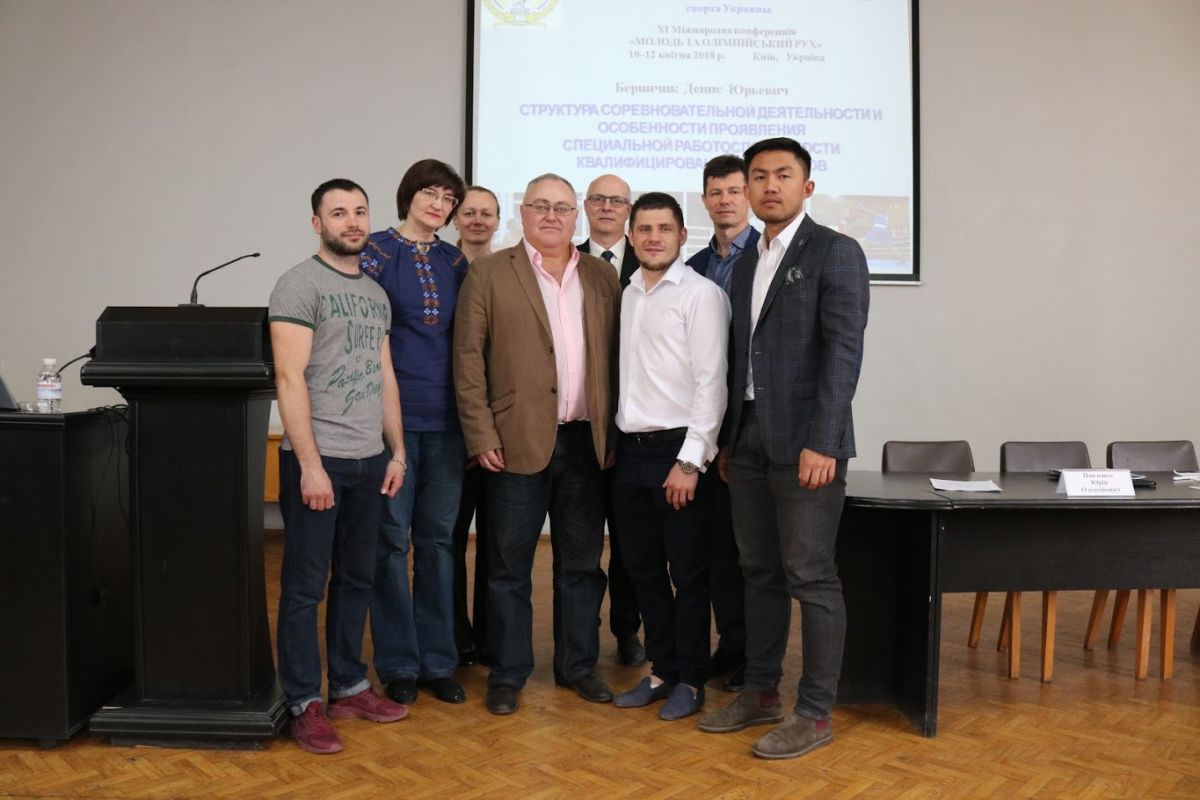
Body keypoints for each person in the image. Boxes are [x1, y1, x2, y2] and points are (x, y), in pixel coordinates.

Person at [697, 138, 870, 760]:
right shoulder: (748, 260)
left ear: (807, 186)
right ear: (746, 188)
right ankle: (761, 692)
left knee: (811, 577)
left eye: (783, 175)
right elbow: (739, 357)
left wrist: (823, 440)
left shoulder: (835, 251)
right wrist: (728, 439)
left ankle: (815, 714)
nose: (770, 186)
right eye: (760, 176)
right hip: (747, 441)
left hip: (807, 446)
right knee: (759, 574)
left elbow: (842, 353)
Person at [454, 173, 621, 716]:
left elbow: (616, 360)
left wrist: (613, 434)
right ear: (522, 213)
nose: (552, 215)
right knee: (507, 568)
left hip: (586, 444)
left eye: (562, 207)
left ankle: (578, 667)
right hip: (512, 442)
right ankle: (508, 673)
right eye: (540, 206)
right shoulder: (488, 273)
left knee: (582, 566)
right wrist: (481, 434)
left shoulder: (601, 275)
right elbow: (467, 360)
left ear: (577, 216)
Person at [269, 178, 408, 754]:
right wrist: (310, 465)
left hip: (369, 460)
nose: (352, 222)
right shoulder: (298, 285)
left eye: (360, 211)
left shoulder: (375, 293)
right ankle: (303, 700)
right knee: (305, 588)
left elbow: (384, 376)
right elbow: (288, 378)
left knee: (357, 579)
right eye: (339, 213)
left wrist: (397, 451)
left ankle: (348, 685)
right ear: (317, 223)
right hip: (319, 459)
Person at [610, 192, 730, 721]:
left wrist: (689, 462)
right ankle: (662, 671)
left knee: (688, 573)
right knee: (642, 572)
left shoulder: (701, 295)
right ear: (631, 237)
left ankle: (692, 680)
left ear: (683, 236)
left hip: (678, 453)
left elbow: (712, 382)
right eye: (645, 229)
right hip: (630, 453)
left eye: (664, 228)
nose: (654, 237)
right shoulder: (629, 293)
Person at [360, 160, 468, 706]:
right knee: (388, 543)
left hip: (447, 423)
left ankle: (438, 661)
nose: (439, 204)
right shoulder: (375, 253)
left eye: (449, 199)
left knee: (439, 543)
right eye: (430, 192)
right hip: (389, 425)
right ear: (408, 194)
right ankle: (399, 663)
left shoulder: (455, 261)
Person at [685, 155, 760, 691]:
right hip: (703, 425)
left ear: (748, 196)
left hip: (751, 425)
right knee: (716, 550)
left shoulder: (769, 255)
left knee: (751, 551)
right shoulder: (693, 267)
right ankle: (731, 645)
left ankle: (756, 656)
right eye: (716, 192)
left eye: (735, 190)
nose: (725, 200)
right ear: (705, 200)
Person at [578, 172, 645, 667]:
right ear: (586, 206)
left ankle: (627, 630)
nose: (606, 207)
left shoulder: (653, 261)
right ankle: (580, 637)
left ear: (628, 209)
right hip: (580, 426)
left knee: (630, 542)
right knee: (580, 543)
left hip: (635, 425)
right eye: (598, 199)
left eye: (616, 200)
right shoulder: (563, 260)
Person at [448, 185, 501, 666]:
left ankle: (488, 637)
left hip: (500, 429)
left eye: (487, 213)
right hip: (448, 427)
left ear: (499, 220)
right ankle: (453, 637)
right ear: (455, 219)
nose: (478, 220)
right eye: (470, 213)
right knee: (447, 540)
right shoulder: (441, 269)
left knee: (496, 543)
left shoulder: (508, 272)